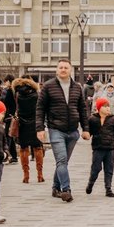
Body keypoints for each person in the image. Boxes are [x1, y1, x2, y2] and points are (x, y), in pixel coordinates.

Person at [35, 59, 90, 203]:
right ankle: (66, 190)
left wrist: (86, 129)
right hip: (56, 129)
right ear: (56, 70)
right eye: (61, 67)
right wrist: (40, 128)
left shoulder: (77, 87)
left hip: (73, 131)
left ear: (71, 70)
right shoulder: (48, 86)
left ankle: (55, 187)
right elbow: (40, 109)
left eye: (66, 67)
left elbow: (83, 109)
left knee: (63, 162)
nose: (63, 69)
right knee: (61, 160)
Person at [86, 97, 114, 197]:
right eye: (105, 107)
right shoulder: (92, 119)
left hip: (110, 148)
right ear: (99, 108)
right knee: (96, 168)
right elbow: (88, 132)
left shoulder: (113, 119)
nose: (108, 108)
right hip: (98, 148)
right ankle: (91, 183)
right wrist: (86, 135)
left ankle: (108, 188)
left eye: (108, 106)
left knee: (109, 169)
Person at [12, 75, 44, 184]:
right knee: (38, 148)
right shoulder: (36, 94)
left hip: (22, 124)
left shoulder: (17, 94)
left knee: (23, 149)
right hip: (35, 123)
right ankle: (40, 174)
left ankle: (26, 175)